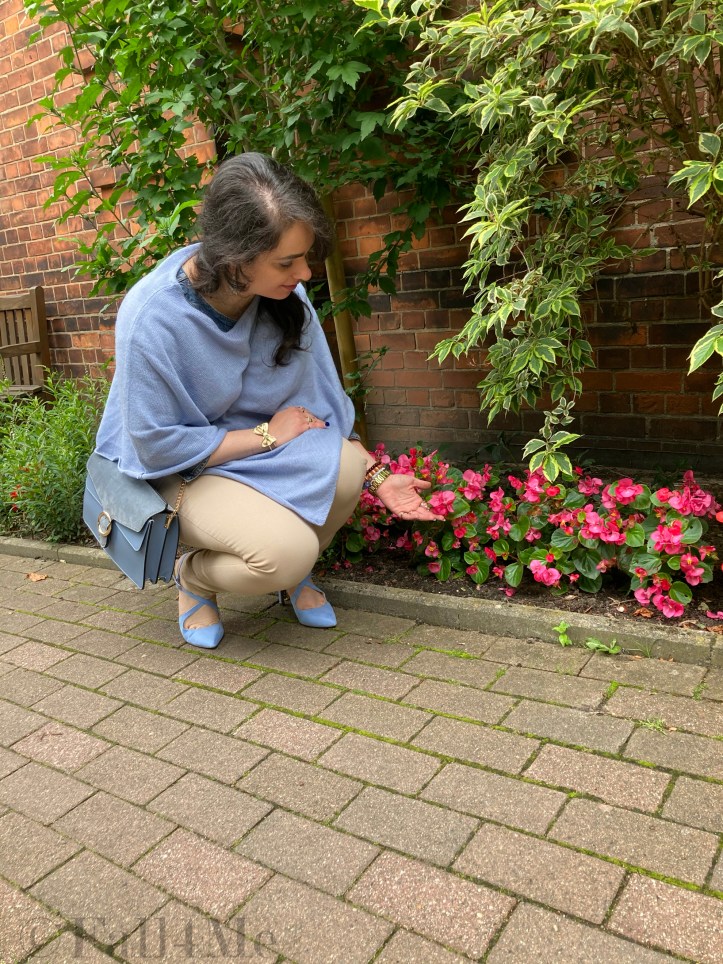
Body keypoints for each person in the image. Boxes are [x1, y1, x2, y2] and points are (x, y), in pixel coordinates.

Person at [94, 152, 442, 649]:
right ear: (236, 257)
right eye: (287, 261)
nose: (304, 271)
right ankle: (196, 579)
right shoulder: (152, 319)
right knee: (285, 552)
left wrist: (380, 477)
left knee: (344, 467)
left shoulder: (282, 296)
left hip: (257, 452)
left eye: (304, 256)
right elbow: (155, 447)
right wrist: (265, 435)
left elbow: (323, 403)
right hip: (177, 469)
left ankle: (286, 571)